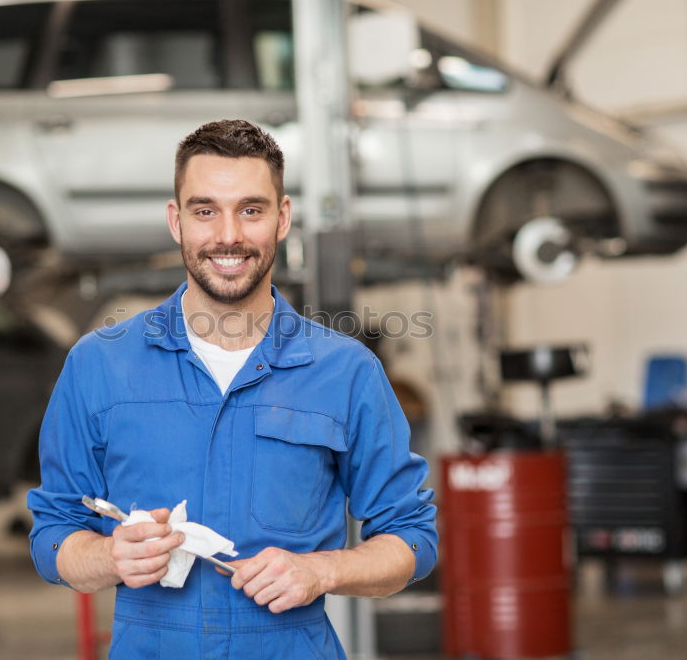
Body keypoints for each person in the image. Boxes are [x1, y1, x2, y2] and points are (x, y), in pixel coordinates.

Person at [27, 119, 437, 658]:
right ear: (176, 222)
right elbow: (54, 535)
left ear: (282, 218)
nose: (228, 236)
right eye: (205, 211)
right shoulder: (99, 366)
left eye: (250, 209)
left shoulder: (347, 373)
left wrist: (321, 569)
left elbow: (412, 539)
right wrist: (110, 559)